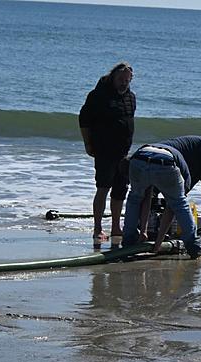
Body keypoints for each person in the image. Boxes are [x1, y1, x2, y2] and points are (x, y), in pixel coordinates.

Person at [78, 62, 136, 249]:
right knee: (103, 188)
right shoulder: (98, 96)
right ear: (113, 77)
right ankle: (97, 228)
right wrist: (88, 143)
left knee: (120, 191)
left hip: (123, 152)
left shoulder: (131, 97)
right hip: (104, 151)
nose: (124, 83)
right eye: (121, 79)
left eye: (127, 80)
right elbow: (84, 119)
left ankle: (116, 227)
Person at [121, 141, 201, 259]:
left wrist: (146, 233)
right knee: (180, 204)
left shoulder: (147, 148)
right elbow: (172, 208)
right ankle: (194, 247)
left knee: (134, 199)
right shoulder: (184, 174)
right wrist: (158, 242)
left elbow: (145, 198)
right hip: (166, 163)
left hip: (139, 160)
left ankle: (128, 241)